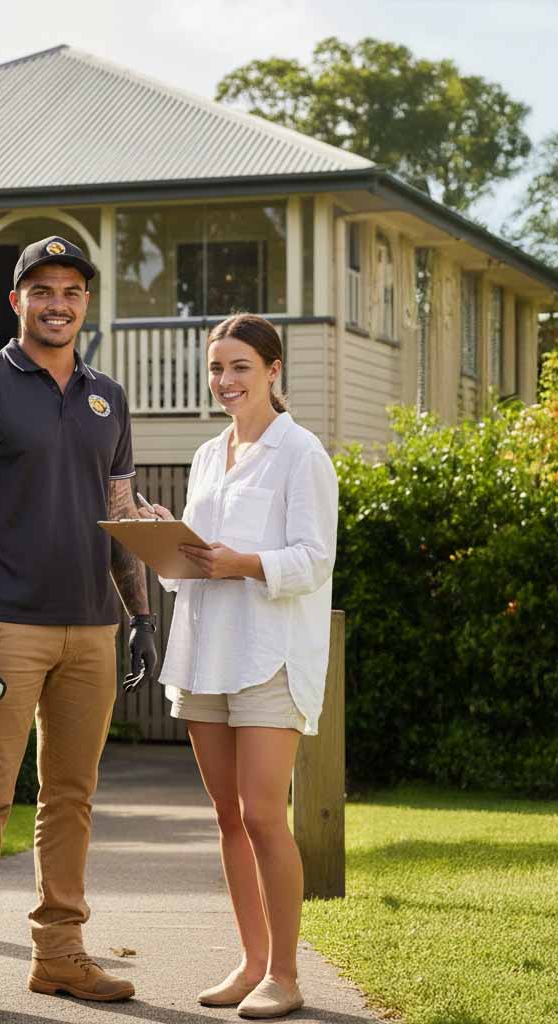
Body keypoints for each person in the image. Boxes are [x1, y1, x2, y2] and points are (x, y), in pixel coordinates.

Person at [0, 235, 159, 1021]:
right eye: (43, 289)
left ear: (86, 303)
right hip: (8, 626)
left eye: (72, 290)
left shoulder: (108, 397)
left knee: (71, 797)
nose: (58, 302)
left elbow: (120, 512)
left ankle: (59, 957)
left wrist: (139, 614)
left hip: (92, 628)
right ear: (16, 300)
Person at [138, 313, 338, 1020]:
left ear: (274, 370)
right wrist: (169, 540)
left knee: (261, 815)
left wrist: (242, 563)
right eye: (217, 368)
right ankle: (252, 963)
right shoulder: (206, 455)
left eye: (240, 367)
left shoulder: (300, 453)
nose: (225, 381)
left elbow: (315, 561)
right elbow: (188, 571)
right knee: (227, 816)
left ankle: (285, 975)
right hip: (203, 655)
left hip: (268, 656)